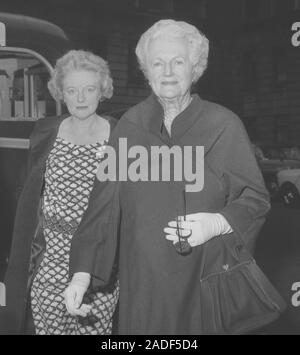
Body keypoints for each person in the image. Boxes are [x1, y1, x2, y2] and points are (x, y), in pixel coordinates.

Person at [64, 20, 271, 334]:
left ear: (195, 68)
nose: (168, 72)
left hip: (202, 280)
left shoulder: (223, 125)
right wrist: (82, 272)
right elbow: (103, 207)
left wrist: (218, 223)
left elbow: (254, 199)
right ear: (146, 72)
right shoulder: (129, 126)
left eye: (178, 62)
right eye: (157, 63)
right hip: (143, 286)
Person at [2, 50, 119, 335]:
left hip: (98, 264)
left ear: (102, 91)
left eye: (89, 89)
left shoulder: (119, 136)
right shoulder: (44, 133)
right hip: (49, 259)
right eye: (72, 90)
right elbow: (29, 198)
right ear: (60, 93)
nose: (80, 98)